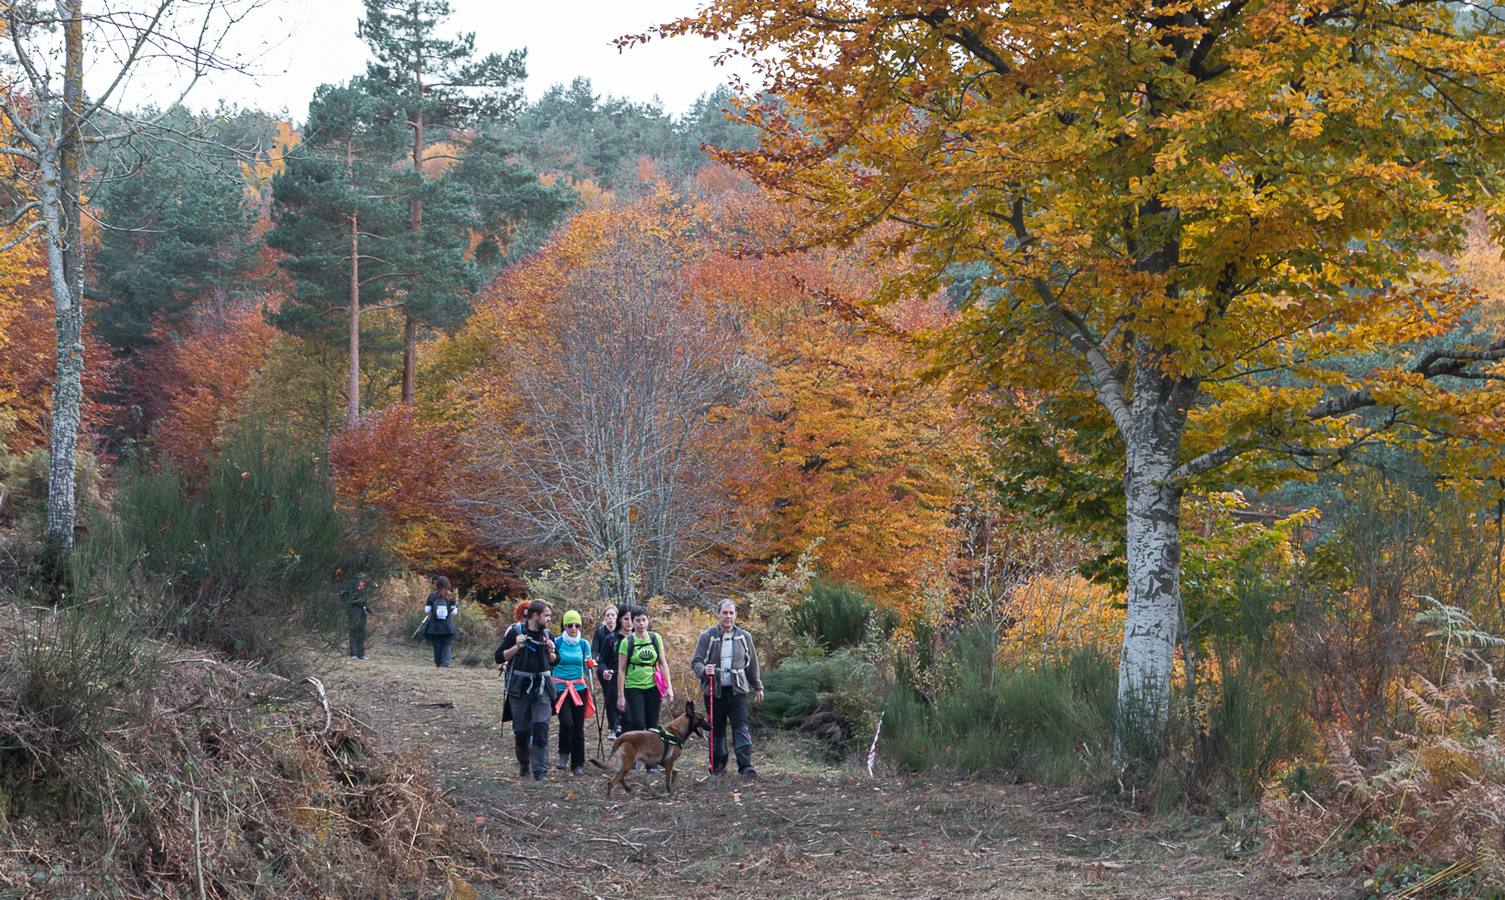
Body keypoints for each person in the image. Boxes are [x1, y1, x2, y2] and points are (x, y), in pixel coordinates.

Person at [691, 599, 765, 778]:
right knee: (717, 729)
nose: (728, 617)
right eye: (725, 613)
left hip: (738, 690)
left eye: (731, 613)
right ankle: (718, 766)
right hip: (714, 691)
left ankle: (746, 767)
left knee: (741, 727)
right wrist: (704, 670)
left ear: (736, 616)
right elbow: (696, 661)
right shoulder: (707, 636)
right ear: (718, 614)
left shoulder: (744, 637)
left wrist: (757, 686)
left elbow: (752, 664)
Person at [495, 600, 557, 780]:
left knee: (541, 727)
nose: (549, 619)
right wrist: (517, 647)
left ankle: (540, 772)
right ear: (535, 616)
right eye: (546, 615)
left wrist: (550, 650)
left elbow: (555, 660)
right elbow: (499, 657)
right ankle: (524, 764)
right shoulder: (515, 632)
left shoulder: (547, 634)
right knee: (521, 731)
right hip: (519, 688)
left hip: (542, 687)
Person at [551, 609, 595, 775]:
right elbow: (550, 664)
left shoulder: (584, 644)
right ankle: (563, 754)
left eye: (577, 625)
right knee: (566, 723)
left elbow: (586, 667)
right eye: (570, 625)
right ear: (564, 625)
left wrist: (591, 665)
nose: (574, 628)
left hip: (579, 689)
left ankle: (578, 764)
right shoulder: (557, 642)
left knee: (578, 727)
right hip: (561, 689)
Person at [617, 607, 673, 733]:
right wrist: (620, 696)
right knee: (638, 722)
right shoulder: (627, 642)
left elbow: (663, 663)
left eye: (644, 620)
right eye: (637, 620)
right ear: (632, 622)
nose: (641, 623)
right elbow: (621, 669)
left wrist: (669, 687)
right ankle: (637, 749)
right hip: (633, 686)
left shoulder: (655, 638)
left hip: (653, 686)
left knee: (653, 725)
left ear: (648, 620)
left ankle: (651, 751)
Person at [591, 604, 623, 737]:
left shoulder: (622, 632)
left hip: (618, 668)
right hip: (604, 668)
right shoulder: (600, 632)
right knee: (609, 696)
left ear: (617, 617)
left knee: (621, 695)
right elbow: (595, 650)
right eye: (607, 615)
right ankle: (612, 726)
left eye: (612, 615)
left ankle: (620, 723)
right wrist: (596, 662)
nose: (610, 618)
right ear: (604, 618)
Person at [423, 576, 458, 668]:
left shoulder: (432, 596)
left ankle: (438, 665)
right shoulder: (451, 596)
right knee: (446, 645)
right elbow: (454, 612)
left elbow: (427, 610)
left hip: (434, 627)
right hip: (447, 627)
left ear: (437, 585)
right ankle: (445, 664)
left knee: (437, 646)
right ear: (448, 585)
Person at [343, 571, 371, 660]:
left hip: (363, 608)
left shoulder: (366, 582)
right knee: (354, 630)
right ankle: (353, 653)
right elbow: (349, 596)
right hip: (354, 608)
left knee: (361, 631)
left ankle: (361, 653)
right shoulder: (352, 582)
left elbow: (365, 595)